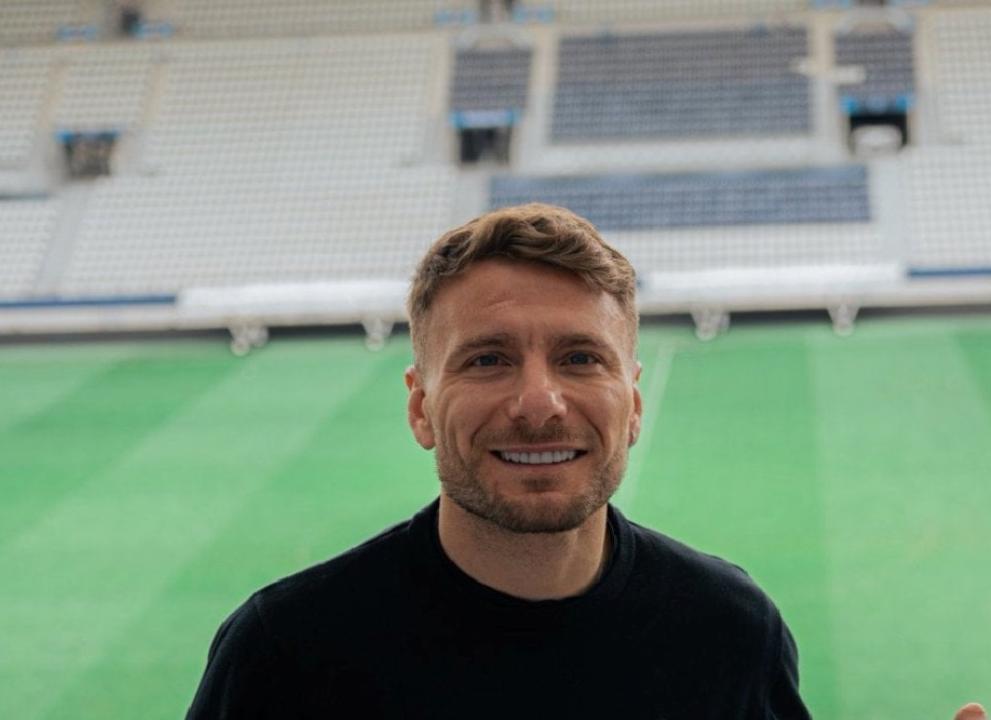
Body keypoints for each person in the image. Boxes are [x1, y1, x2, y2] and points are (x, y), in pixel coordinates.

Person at [186, 204, 811, 719]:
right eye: (488, 360)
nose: (539, 404)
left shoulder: (732, 631)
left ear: (634, 405)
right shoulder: (283, 655)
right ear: (421, 408)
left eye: (581, 359)